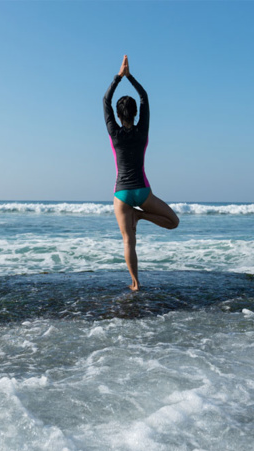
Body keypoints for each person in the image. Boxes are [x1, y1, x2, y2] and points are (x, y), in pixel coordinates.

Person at [103, 55, 179, 291]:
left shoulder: (114, 132)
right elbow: (144, 97)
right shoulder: (142, 130)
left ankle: (135, 283)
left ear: (117, 115)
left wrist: (118, 77)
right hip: (143, 192)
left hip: (122, 194)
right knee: (173, 222)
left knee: (128, 241)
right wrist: (130, 77)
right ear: (136, 114)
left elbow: (106, 100)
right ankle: (141, 216)